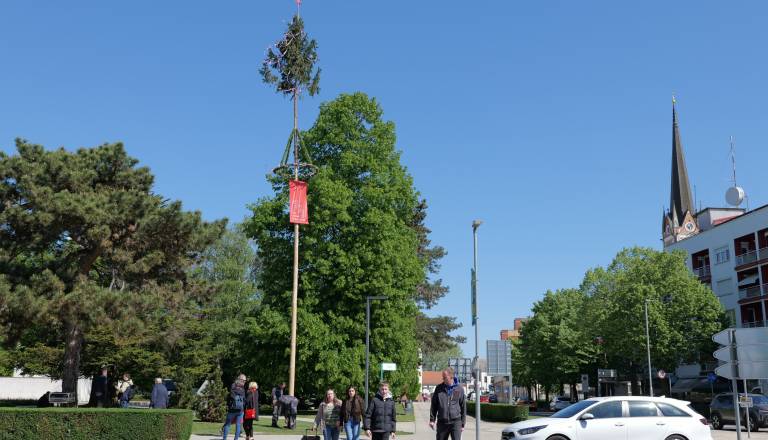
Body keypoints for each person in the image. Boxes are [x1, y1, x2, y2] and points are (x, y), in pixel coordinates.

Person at [429, 368, 466, 440]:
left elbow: (463, 406)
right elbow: (434, 405)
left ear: (451, 377)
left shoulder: (459, 389)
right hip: (442, 422)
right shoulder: (439, 388)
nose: (443, 379)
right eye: (443, 377)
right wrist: (432, 420)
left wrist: (463, 423)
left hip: (456, 422)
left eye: (445, 377)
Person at [222, 374, 246, 440]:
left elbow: (231, 396)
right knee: (238, 425)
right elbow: (244, 399)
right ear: (240, 379)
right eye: (243, 380)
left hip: (232, 409)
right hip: (240, 410)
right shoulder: (242, 388)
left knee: (227, 424)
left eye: (245, 380)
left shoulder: (233, 385)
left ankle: (224, 438)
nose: (244, 382)